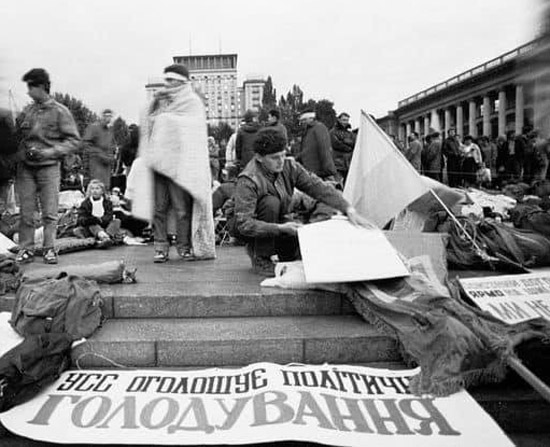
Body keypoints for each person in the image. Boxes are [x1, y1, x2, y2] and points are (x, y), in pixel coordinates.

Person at [232, 128, 373, 276]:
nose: (281, 161)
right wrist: (281, 228)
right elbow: (244, 224)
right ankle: (261, 257)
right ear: (259, 158)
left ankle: (282, 247)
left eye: (283, 155)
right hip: (245, 225)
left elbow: (318, 187)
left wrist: (349, 209)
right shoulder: (248, 179)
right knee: (270, 202)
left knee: (293, 253)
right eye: (274, 158)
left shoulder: (289, 166)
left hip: (279, 220)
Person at [138, 63, 215, 263]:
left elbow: (193, 130)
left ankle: (184, 247)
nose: (168, 83)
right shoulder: (159, 100)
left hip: (181, 166)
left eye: (172, 80)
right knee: (159, 208)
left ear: (181, 81)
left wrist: (165, 119)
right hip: (159, 162)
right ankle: (160, 247)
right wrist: (156, 108)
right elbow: (147, 124)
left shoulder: (192, 102)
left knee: (182, 209)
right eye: (167, 80)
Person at [15, 68, 80, 264]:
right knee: (26, 211)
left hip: (49, 167)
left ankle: (49, 248)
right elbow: (18, 136)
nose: (28, 92)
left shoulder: (61, 112)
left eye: (31, 87)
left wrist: (50, 152)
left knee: (50, 211)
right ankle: (25, 249)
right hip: (26, 167)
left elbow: (74, 141)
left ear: (42, 87)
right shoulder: (27, 111)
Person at [74, 179, 121, 248]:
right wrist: (91, 220)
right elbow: (81, 218)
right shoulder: (85, 203)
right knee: (89, 225)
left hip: (105, 226)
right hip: (92, 227)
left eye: (97, 188)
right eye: (92, 189)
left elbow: (109, 216)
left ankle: (105, 237)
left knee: (117, 221)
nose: (94, 191)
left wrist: (100, 220)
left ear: (102, 191)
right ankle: (104, 237)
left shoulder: (107, 203)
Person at [296, 110, 337, 180]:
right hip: (310, 171)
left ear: (311, 118)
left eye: (303, 120)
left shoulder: (319, 128)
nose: (301, 123)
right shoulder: (308, 131)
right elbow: (307, 151)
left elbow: (324, 149)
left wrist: (328, 170)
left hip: (318, 172)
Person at [83, 109, 115, 190]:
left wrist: (111, 158)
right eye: (106, 116)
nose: (108, 118)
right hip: (96, 164)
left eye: (110, 116)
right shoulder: (93, 127)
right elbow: (85, 144)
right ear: (102, 116)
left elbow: (111, 147)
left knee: (105, 187)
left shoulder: (109, 131)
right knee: (96, 187)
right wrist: (98, 153)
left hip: (106, 165)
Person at [329, 112, 356, 182]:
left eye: (347, 120)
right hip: (337, 164)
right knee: (338, 184)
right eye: (344, 120)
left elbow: (355, 143)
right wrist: (348, 147)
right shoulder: (333, 132)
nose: (345, 122)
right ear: (339, 120)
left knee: (348, 185)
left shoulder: (350, 133)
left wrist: (345, 141)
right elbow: (336, 144)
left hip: (348, 164)